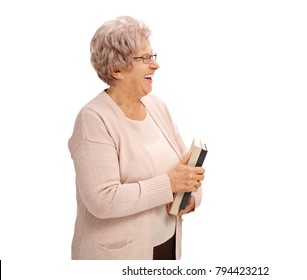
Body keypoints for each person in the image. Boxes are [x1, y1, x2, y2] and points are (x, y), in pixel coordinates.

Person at [68, 16, 205, 260]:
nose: (155, 65)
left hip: (167, 247)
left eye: (153, 56)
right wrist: (169, 185)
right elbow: (102, 200)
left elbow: (184, 173)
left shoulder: (157, 107)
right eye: (144, 58)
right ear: (116, 69)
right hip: (118, 257)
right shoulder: (93, 119)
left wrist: (191, 198)